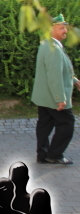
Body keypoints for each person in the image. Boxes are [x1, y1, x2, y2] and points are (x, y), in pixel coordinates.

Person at [32, 14, 79, 165]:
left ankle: (43, 154)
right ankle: (55, 155)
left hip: (44, 96)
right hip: (54, 97)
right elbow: (54, 75)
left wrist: (75, 81)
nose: (65, 31)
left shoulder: (46, 45)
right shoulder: (54, 49)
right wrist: (60, 98)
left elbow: (59, 70)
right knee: (67, 124)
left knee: (45, 125)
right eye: (61, 28)